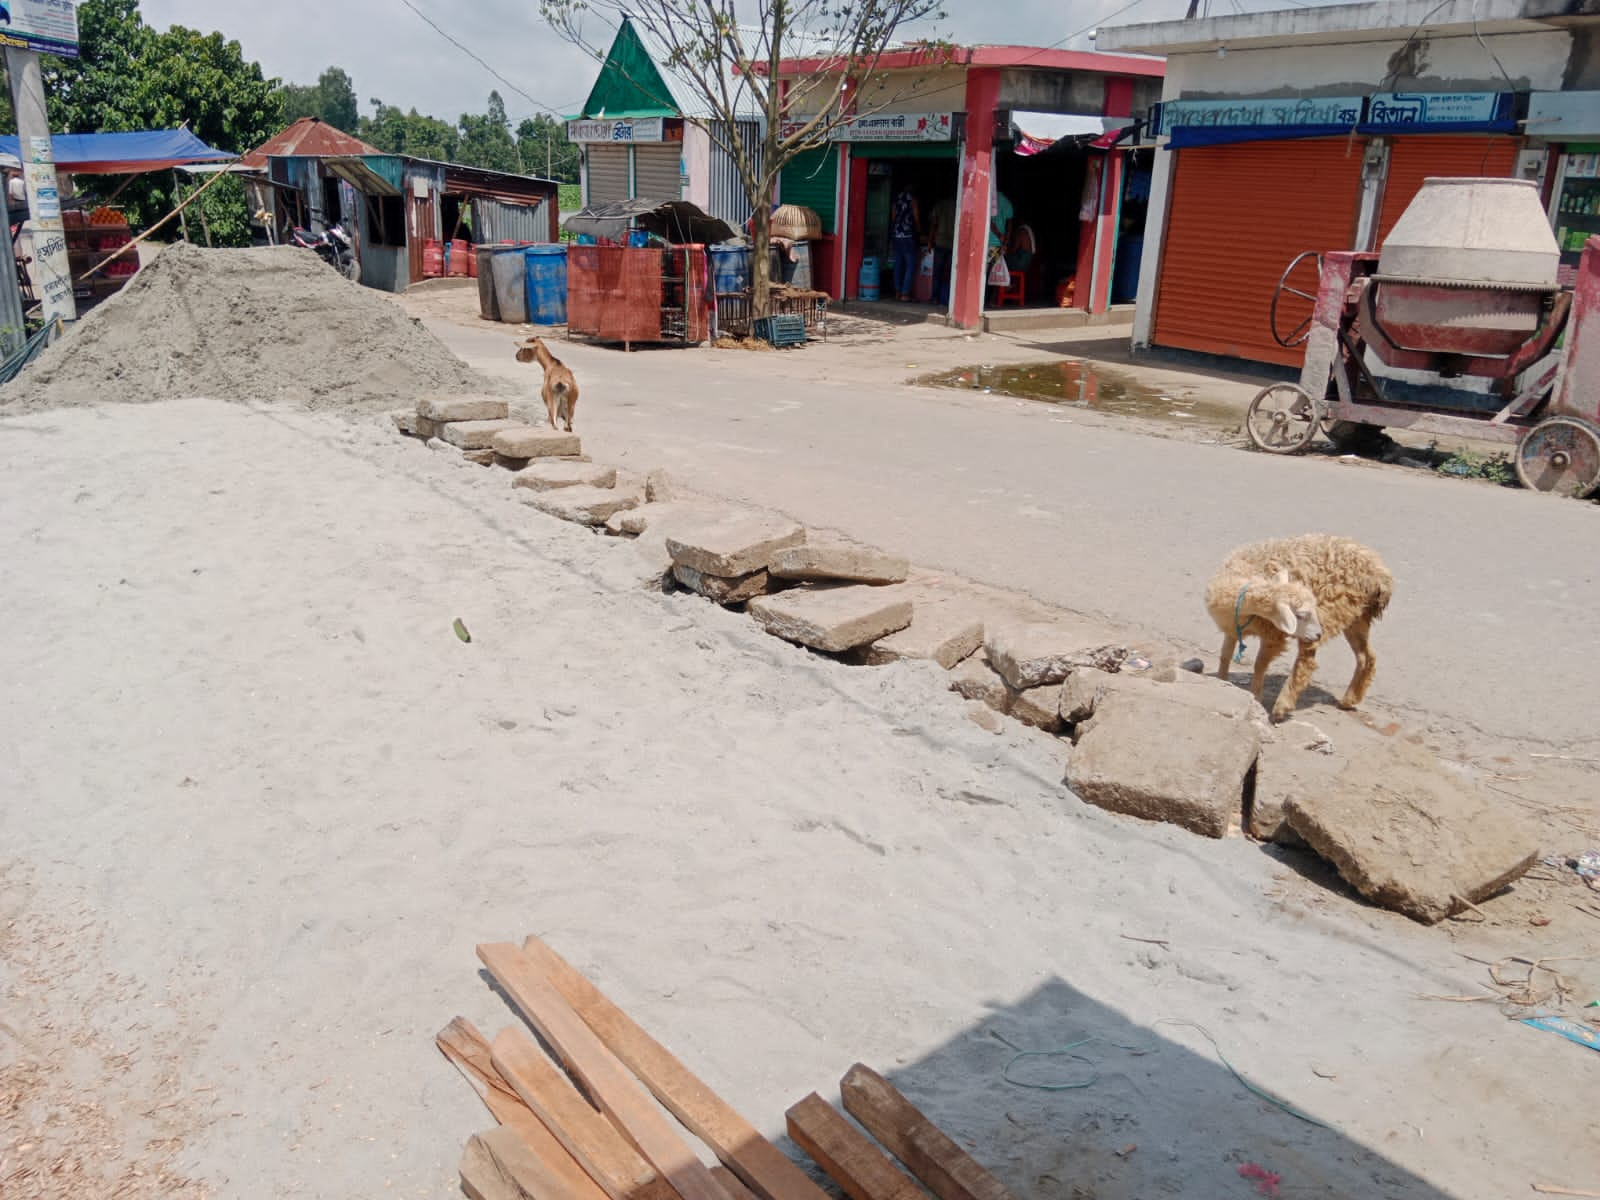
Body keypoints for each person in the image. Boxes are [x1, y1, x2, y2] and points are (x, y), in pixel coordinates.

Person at [890, 183, 920, 302]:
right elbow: (916, 218)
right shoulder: (913, 200)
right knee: (910, 265)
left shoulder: (896, 200)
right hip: (908, 235)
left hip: (896, 235)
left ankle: (897, 292)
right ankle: (905, 294)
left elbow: (893, 218)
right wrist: (919, 231)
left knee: (898, 263)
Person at [926, 192, 956, 306]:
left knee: (937, 272)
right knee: (950, 273)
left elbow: (934, 224)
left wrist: (930, 240)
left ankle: (934, 298)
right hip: (953, 243)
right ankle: (948, 299)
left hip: (940, 241)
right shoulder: (959, 205)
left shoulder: (939, 205)